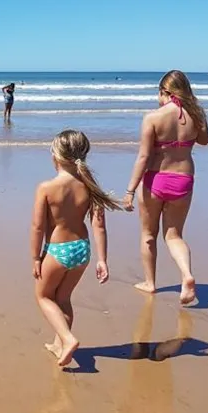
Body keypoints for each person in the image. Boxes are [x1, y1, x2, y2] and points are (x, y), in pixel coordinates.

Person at [32, 130, 121, 367]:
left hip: (57, 250)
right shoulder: (89, 186)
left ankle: (68, 338)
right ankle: (59, 344)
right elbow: (99, 225)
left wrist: (35, 258)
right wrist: (102, 260)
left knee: (43, 296)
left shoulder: (47, 188)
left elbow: (37, 227)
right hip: (82, 250)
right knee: (63, 297)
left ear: (56, 157)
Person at [123, 70, 208, 306]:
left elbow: (143, 157)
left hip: (156, 179)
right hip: (183, 179)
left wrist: (130, 190)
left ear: (165, 91)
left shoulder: (153, 117)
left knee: (148, 235)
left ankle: (150, 283)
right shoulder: (196, 114)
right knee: (174, 235)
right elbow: (204, 140)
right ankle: (186, 275)